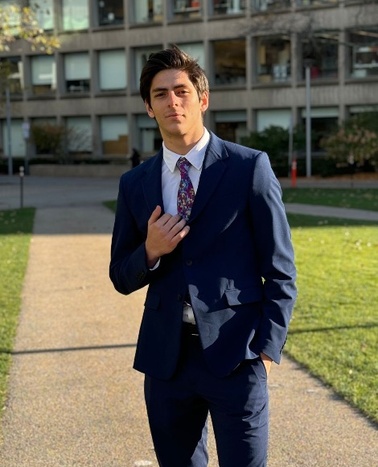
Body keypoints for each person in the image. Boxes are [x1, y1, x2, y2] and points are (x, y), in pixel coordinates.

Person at [109, 46, 297, 467]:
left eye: (181, 91)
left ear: (202, 99)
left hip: (236, 354)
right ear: (149, 107)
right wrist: (151, 251)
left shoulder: (249, 167)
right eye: (160, 94)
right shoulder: (135, 183)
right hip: (166, 362)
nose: (172, 101)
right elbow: (121, 275)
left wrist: (266, 350)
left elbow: (281, 269)